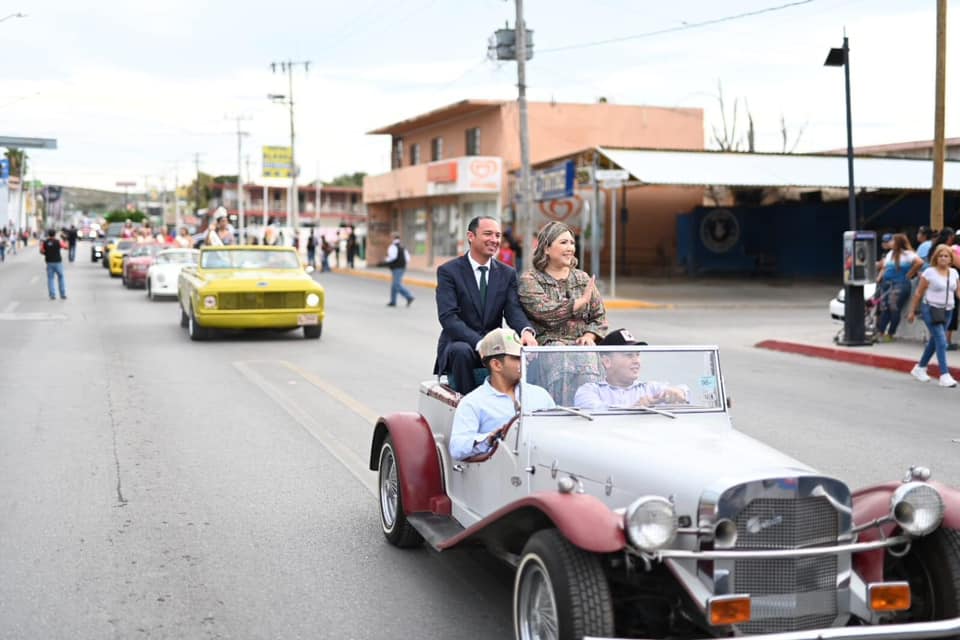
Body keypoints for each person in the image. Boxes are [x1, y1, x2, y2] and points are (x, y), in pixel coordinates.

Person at [435, 216, 537, 394]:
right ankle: (468, 406)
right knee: (462, 351)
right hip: (460, 345)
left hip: (494, 345)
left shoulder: (507, 273)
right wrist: (480, 343)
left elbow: (513, 311)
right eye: (488, 234)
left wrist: (526, 331)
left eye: (498, 236)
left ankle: (514, 409)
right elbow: (448, 318)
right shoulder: (448, 272)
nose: (494, 240)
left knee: (521, 353)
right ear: (471, 236)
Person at [518, 221, 608, 402]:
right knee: (560, 354)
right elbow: (545, 312)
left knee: (587, 356)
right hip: (547, 346)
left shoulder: (582, 278)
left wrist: (590, 336)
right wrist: (580, 302)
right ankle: (558, 413)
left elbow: (599, 317)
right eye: (563, 243)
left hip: (580, 346)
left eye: (572, 243)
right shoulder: (530, 279)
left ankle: (591, 413)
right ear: (546, 248)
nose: (570, 248)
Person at [448, 328, 555, 461]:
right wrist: (490, 439)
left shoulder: (540, 395)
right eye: (517, 358)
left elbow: (558, 434)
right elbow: (457, 448)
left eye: (524, 355)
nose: (525, 361)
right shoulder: (473, 402)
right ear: (496, 364)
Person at [574, 329, 689, 410]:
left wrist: (676, 393)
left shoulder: (649, 388)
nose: (636, 361)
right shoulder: (590, 391)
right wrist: (634, 409)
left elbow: (685, 392)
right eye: (629, 355)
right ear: (607, 361)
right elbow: (597, 412)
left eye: (637, 354)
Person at [907, 244, 959, 387]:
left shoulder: (954, 273)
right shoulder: (929, 272)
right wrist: (912, 311)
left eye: (946, 256)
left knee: (934, 341)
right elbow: (918, 293)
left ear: (950, 259)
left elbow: (958, 293)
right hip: (930, 309)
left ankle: (920, 368)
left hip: (948, 310)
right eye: (941, 255)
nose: (943, 258)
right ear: (936, 257)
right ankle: (944, 375)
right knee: (942, 341)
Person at [875, 233, 922, 342]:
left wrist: (910, 273)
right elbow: (884, 267)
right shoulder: (890, 253)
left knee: (894, 307)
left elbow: (919, 262)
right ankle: (881, 332)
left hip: (900, 284)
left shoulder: (908, 254)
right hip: (887, 283)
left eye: (893, 241)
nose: (890, 243)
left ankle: (891, 333)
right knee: (885, 307)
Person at [383, 232, 414, 307]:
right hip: (402, 267)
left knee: (396, 284)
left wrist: (386, 260)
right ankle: (393, 301)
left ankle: (409, 296)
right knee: (394, 284)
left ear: (393, 238)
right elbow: (408, 258)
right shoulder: (402, 247)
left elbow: (392, 257)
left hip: (396, 267)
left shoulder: (392, 247)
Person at [40, 228, 68, 300]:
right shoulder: (58, 242)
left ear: (48, 234)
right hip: (58, 262)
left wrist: (47, 252)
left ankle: (52, 295)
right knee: (61, 278)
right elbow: (66, 247)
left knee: (50, 279)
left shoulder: (45, 242)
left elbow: (42, 251)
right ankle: (63, 294)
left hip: (49, 263)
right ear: (55, 234)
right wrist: (65, 240)